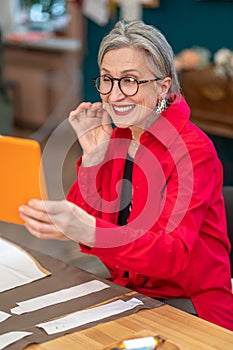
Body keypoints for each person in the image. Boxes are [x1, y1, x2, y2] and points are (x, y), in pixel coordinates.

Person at [19, 20, 233, 330]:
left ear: (163, 85)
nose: (115, 95)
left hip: (190, 303)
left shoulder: (193, 151)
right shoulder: (116, 137)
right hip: (131, 294)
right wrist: (92, 159)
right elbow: (85, 229)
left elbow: (170, 255)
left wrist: (90, 231)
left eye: (130, 80)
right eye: (107, 79)